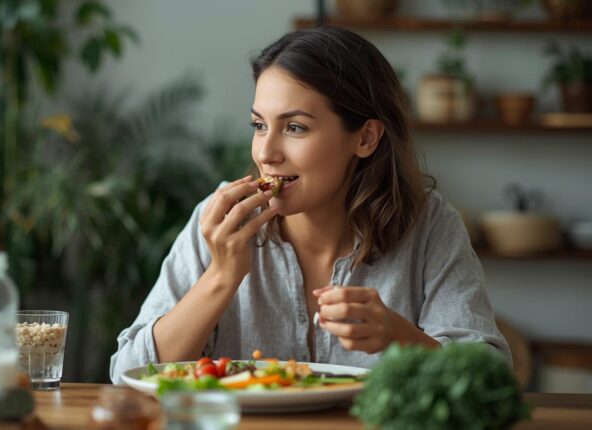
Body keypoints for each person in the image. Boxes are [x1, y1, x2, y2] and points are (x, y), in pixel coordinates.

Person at [109, 26, 510, 383]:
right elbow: (127, 371)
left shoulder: (429, 225)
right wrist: (221, 276)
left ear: (366, 138)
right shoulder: (219, 222)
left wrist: (399, 336)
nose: (266, 152)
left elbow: (490, 379)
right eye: (259, 125)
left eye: (295, 128)